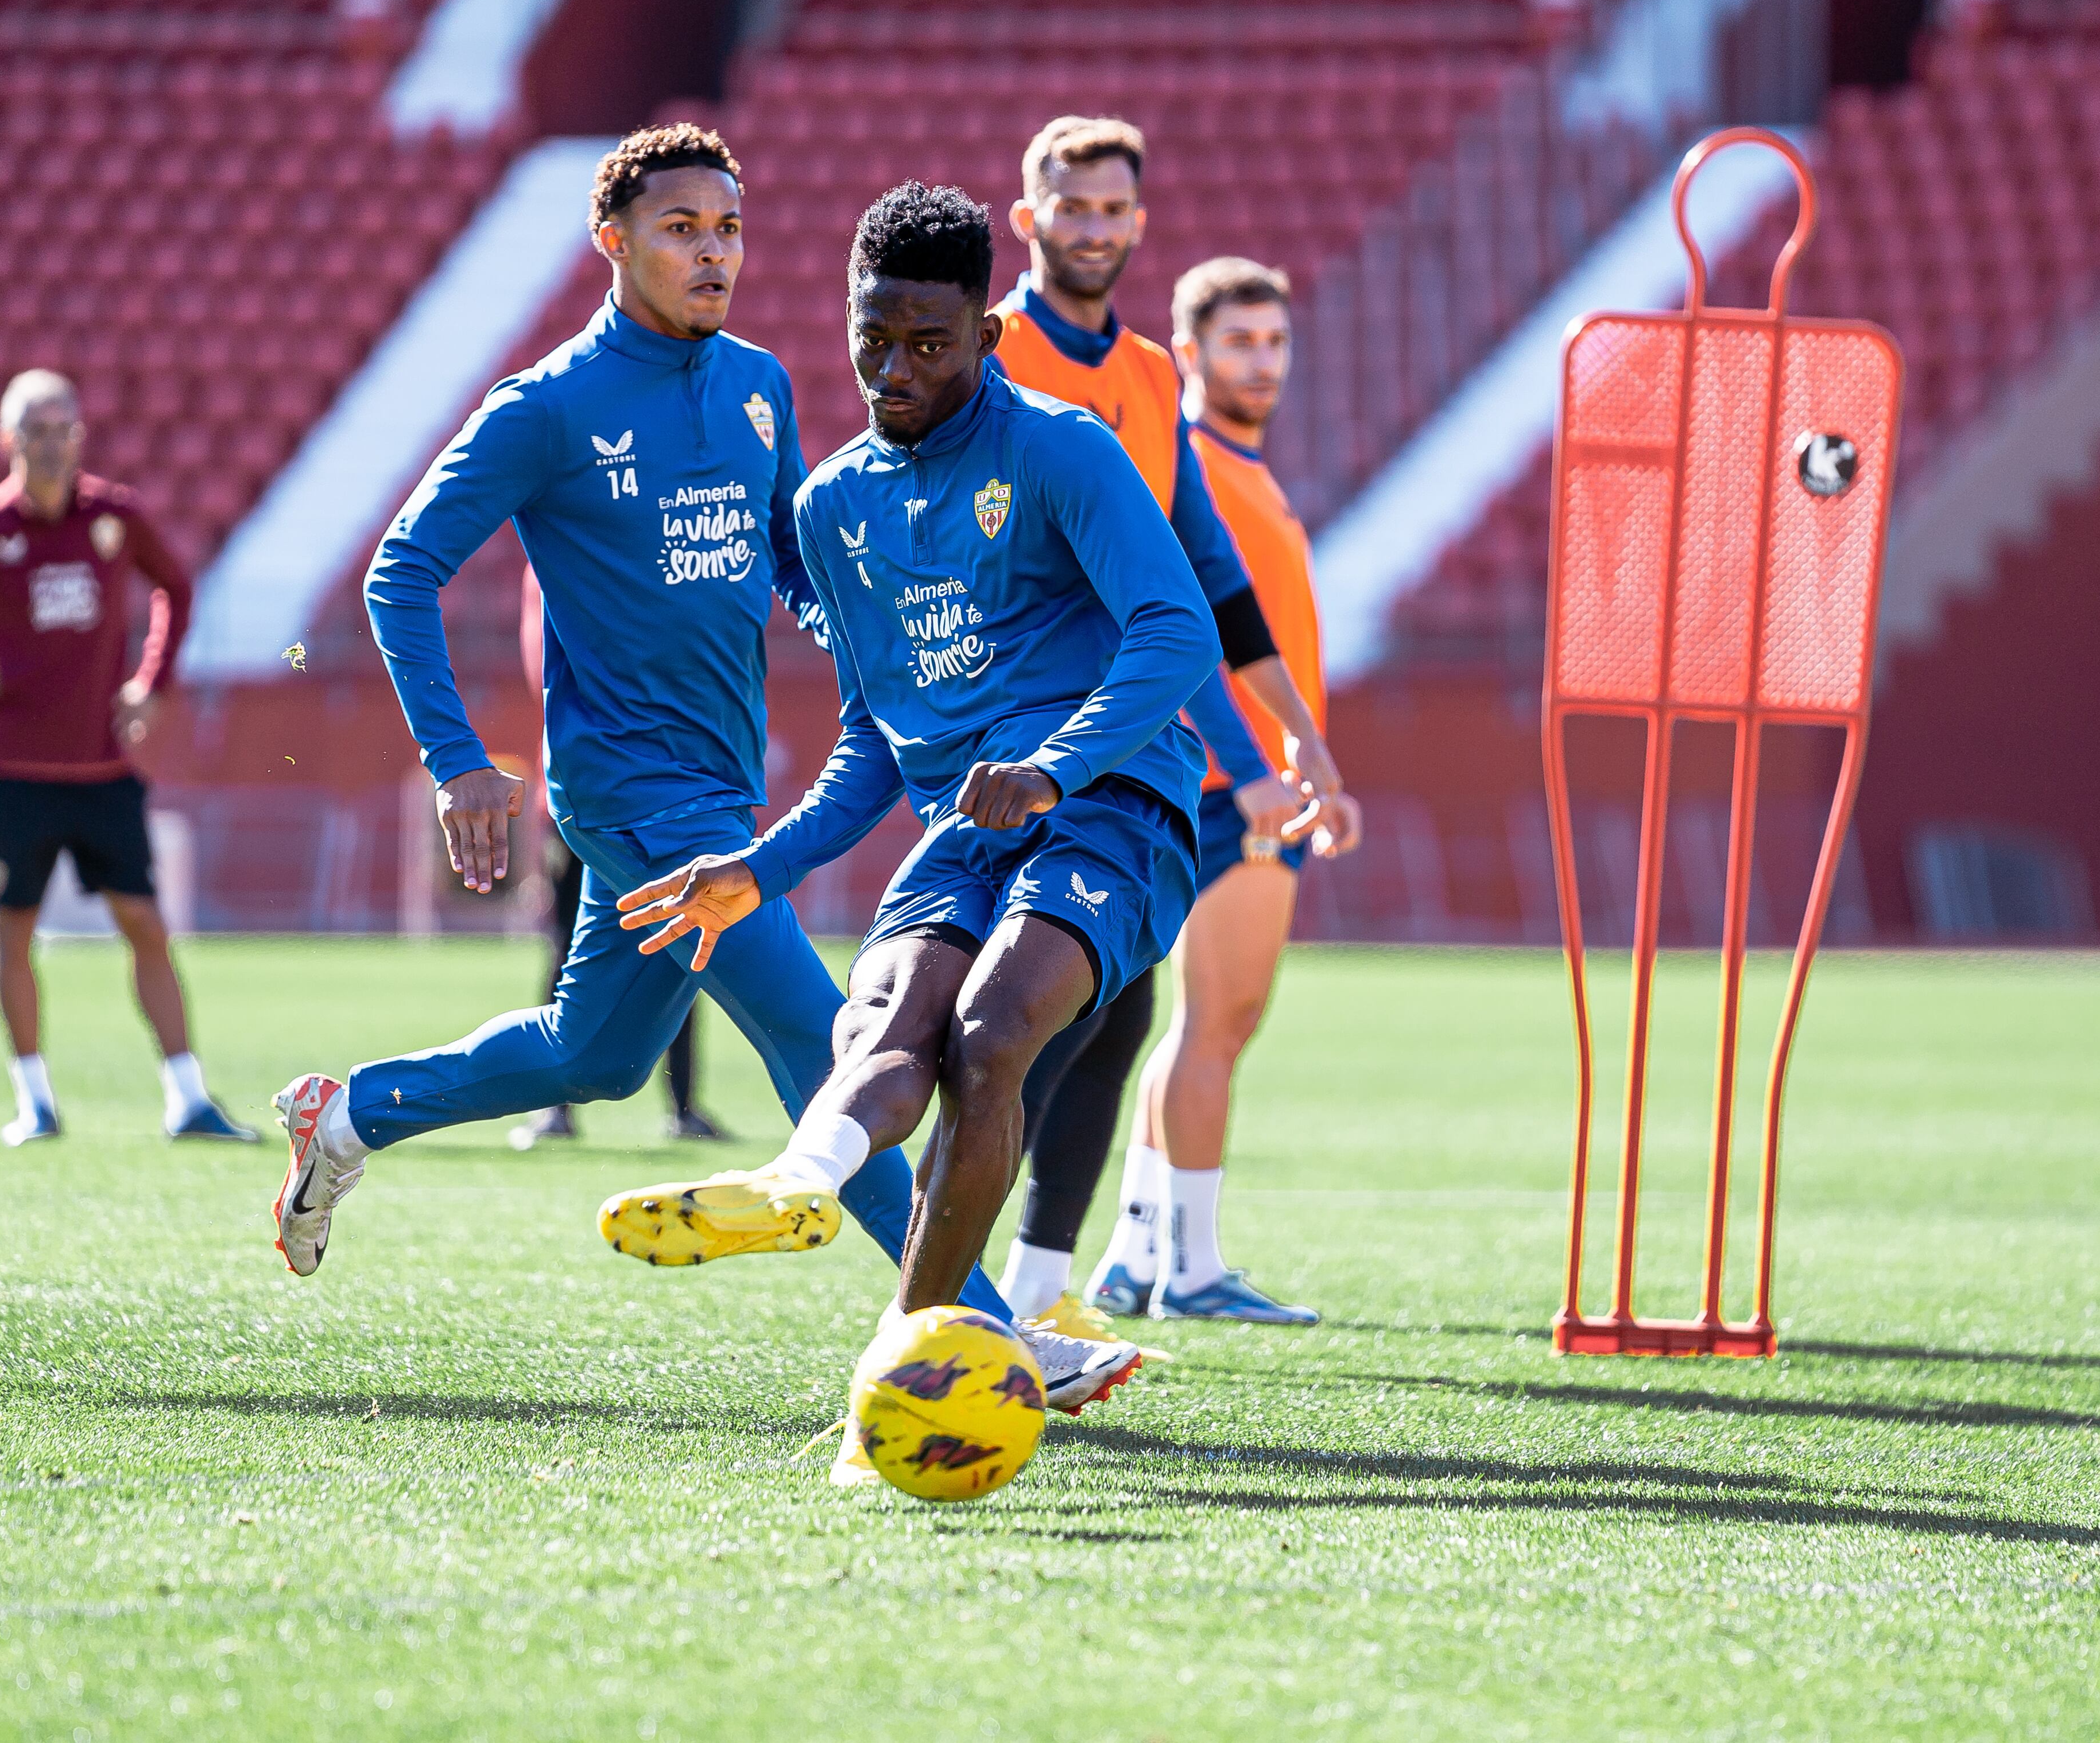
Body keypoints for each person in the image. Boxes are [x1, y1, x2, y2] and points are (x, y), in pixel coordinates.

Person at [261, 126, 1012, 1335]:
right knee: (824, 1046)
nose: (713, 253)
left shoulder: (760, 384)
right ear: (611, 242)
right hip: (628, 793)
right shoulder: (547, 408)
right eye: (680, 230)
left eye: (727, 228)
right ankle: (980, 1325)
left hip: (721, 784)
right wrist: (458, 761)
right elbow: (400, 572)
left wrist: (873, 643)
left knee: (593, 1055)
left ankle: (347, 1115)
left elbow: (791, 561)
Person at [598, 182, 1216, 1455]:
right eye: (869, 336)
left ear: (987, 338)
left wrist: (1052, 764)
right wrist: (754, 869)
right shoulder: (832, 507)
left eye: (928, 344)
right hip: (966, 825)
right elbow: (874, 736)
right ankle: (799, 1180)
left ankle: (897, 1357)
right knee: (882, 1019)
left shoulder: (1060, 447)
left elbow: (1173, 628)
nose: (892, 368)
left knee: (990, 1038)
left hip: (1116, 804)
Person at [983, 117, 1354, 1330]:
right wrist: (1246, 763)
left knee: (1109, 1013)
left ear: (1138, 224)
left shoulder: (1142, 376)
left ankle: (1037, 1298)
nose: (1093, 228)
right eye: (1070, 208)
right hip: (1011, 742)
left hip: (1128, 751)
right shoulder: (992, 357)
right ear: (1027, 218)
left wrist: (1296, 734)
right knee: (1009, 1026)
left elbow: (1199, 585)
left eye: (1113, 210)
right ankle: (949, 1287)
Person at [0, 369, 254, 1146]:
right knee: (13, 933)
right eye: (36, 430)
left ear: (81, 437)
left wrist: (151, 683)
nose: (53, 444)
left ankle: (188, 1099)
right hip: (15, 772)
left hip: (102, 768)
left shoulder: (114, 518)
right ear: (7, 440)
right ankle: (34, 1100)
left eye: (65, 428)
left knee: (145, 924)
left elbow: (178, 589)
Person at [1086, 258, 1362, 1324]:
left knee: (1192, 1027)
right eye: (1240, 341)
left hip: (1235, 777)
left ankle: (1137, 1251)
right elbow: (1188, 631)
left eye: (1276, 341)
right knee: (1220, 1022)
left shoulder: (1242, 468)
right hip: (1221, 784)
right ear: (1189, 353)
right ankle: (1190, 1271)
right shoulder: (1197, 464)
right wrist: (1260, 769)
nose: (1264, 360)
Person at [503, 570, 721, 1150]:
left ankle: (680, 1107)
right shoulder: (558, 563)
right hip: (593, 795)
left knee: (680, 937)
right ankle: (559, 1105)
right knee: (576, 949)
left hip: (649, 791)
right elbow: (551, 676)